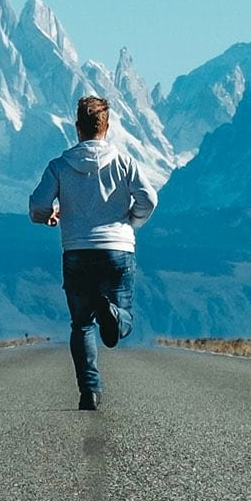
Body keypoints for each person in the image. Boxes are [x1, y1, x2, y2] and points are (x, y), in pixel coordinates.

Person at [29, 95, 158, 410]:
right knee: (122, 323)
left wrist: (49, 216)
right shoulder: (124, 162)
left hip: (76, 250)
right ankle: (113, 315)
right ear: (107, 127)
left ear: (77, 128)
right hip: (118, 249)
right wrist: (131, 221)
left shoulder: (59, 166)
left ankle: (90, 391)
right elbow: (149, 198)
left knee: (82, 324)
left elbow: (37, 205)